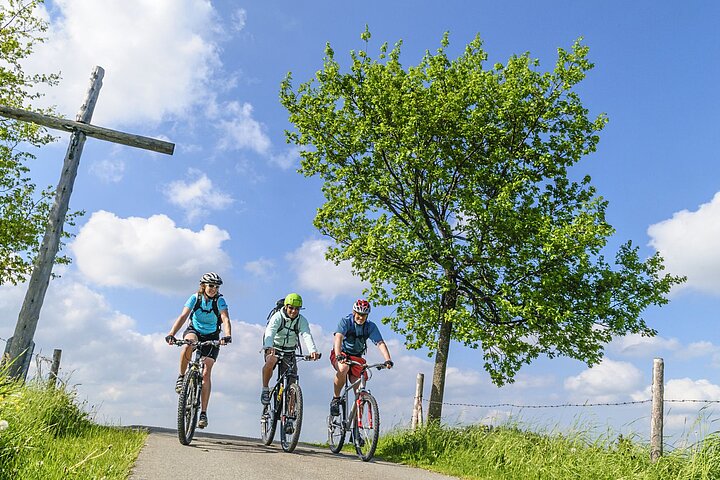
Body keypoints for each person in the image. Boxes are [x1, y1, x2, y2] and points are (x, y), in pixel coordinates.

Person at [165, 272, 232, 429]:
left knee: (206, 372)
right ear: (203, 285)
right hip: (194, 331)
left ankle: (203, 413)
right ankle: (182, 377)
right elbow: (183, 316)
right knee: (188, 344)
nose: (213, 289)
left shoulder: (220, 301)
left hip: (212, 336)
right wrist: (171, 334)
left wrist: (227, 335)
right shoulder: (195, 298)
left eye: (216, 286)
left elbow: (225, 319)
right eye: (211, 285)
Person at [330, 299, 393, 416]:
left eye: (364, 315)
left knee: (360, 392)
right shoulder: (345, 322)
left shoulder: (370, 326)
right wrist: (338, 355)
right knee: (343, 369)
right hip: (342, 354)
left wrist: (387, 359)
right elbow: (338, 338)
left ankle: (356, 430)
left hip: (357, 358)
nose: (361, 317)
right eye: (359, 314)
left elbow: (380, 343)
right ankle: (336, 399)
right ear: (354, 313)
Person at [261, 292, 320, 405]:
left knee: (293, 381)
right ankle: (265, 389)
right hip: (274, 348)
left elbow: (306, 334)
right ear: (286, 306)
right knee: (271, 361)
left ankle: (291, 413)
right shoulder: (277, 317)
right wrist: (268, 346)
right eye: (291, 308)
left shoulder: (301, 320)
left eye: (297, 309)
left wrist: (313, 351)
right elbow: (270, 331)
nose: (294, 311)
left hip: (290, 351)